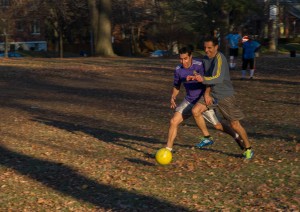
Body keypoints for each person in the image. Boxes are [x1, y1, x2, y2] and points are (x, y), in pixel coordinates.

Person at [165, 46, 244, 152]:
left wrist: (207, 94)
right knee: (173, 121)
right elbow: (176, 86)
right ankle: (168, 149)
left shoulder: (200, 64)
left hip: (203, 100)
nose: (183, 61)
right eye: (181, 59)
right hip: (189, 100)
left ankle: (236, 136)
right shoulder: (178, 69)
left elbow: (210, 81)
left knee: (218, 126)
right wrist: (173, 96)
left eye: (185, 58)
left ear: (191, 56)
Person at [188, 36, 253, 159]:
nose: (207, 50)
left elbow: (217, 78)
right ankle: (207, 138)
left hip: (225, 96)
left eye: (210, 48)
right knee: (195, 111)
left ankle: (248, 148)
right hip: (212, 95)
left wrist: (203, 79)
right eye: (205, 48)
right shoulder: (206, 59)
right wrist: (206, 92)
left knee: (235, 125)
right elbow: (207, 76)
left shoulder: (220, 58)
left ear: (216, 47)